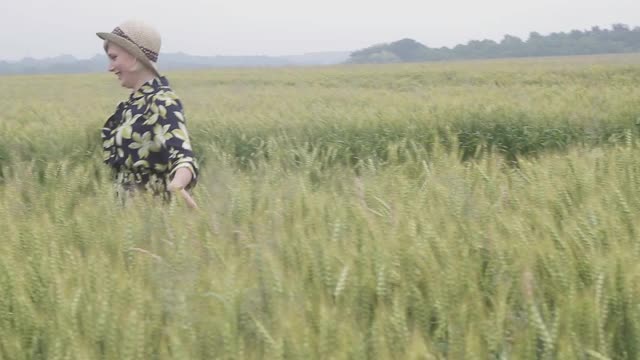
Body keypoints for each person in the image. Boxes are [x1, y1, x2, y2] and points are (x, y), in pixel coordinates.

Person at [97, 20, 198, 208]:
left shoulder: (162, 102)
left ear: (135, 57)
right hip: (126, 220)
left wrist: (177, 185)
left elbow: (183, 156)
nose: (110, 67)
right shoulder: (132, 104)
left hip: (153, 220)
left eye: (114, 57)